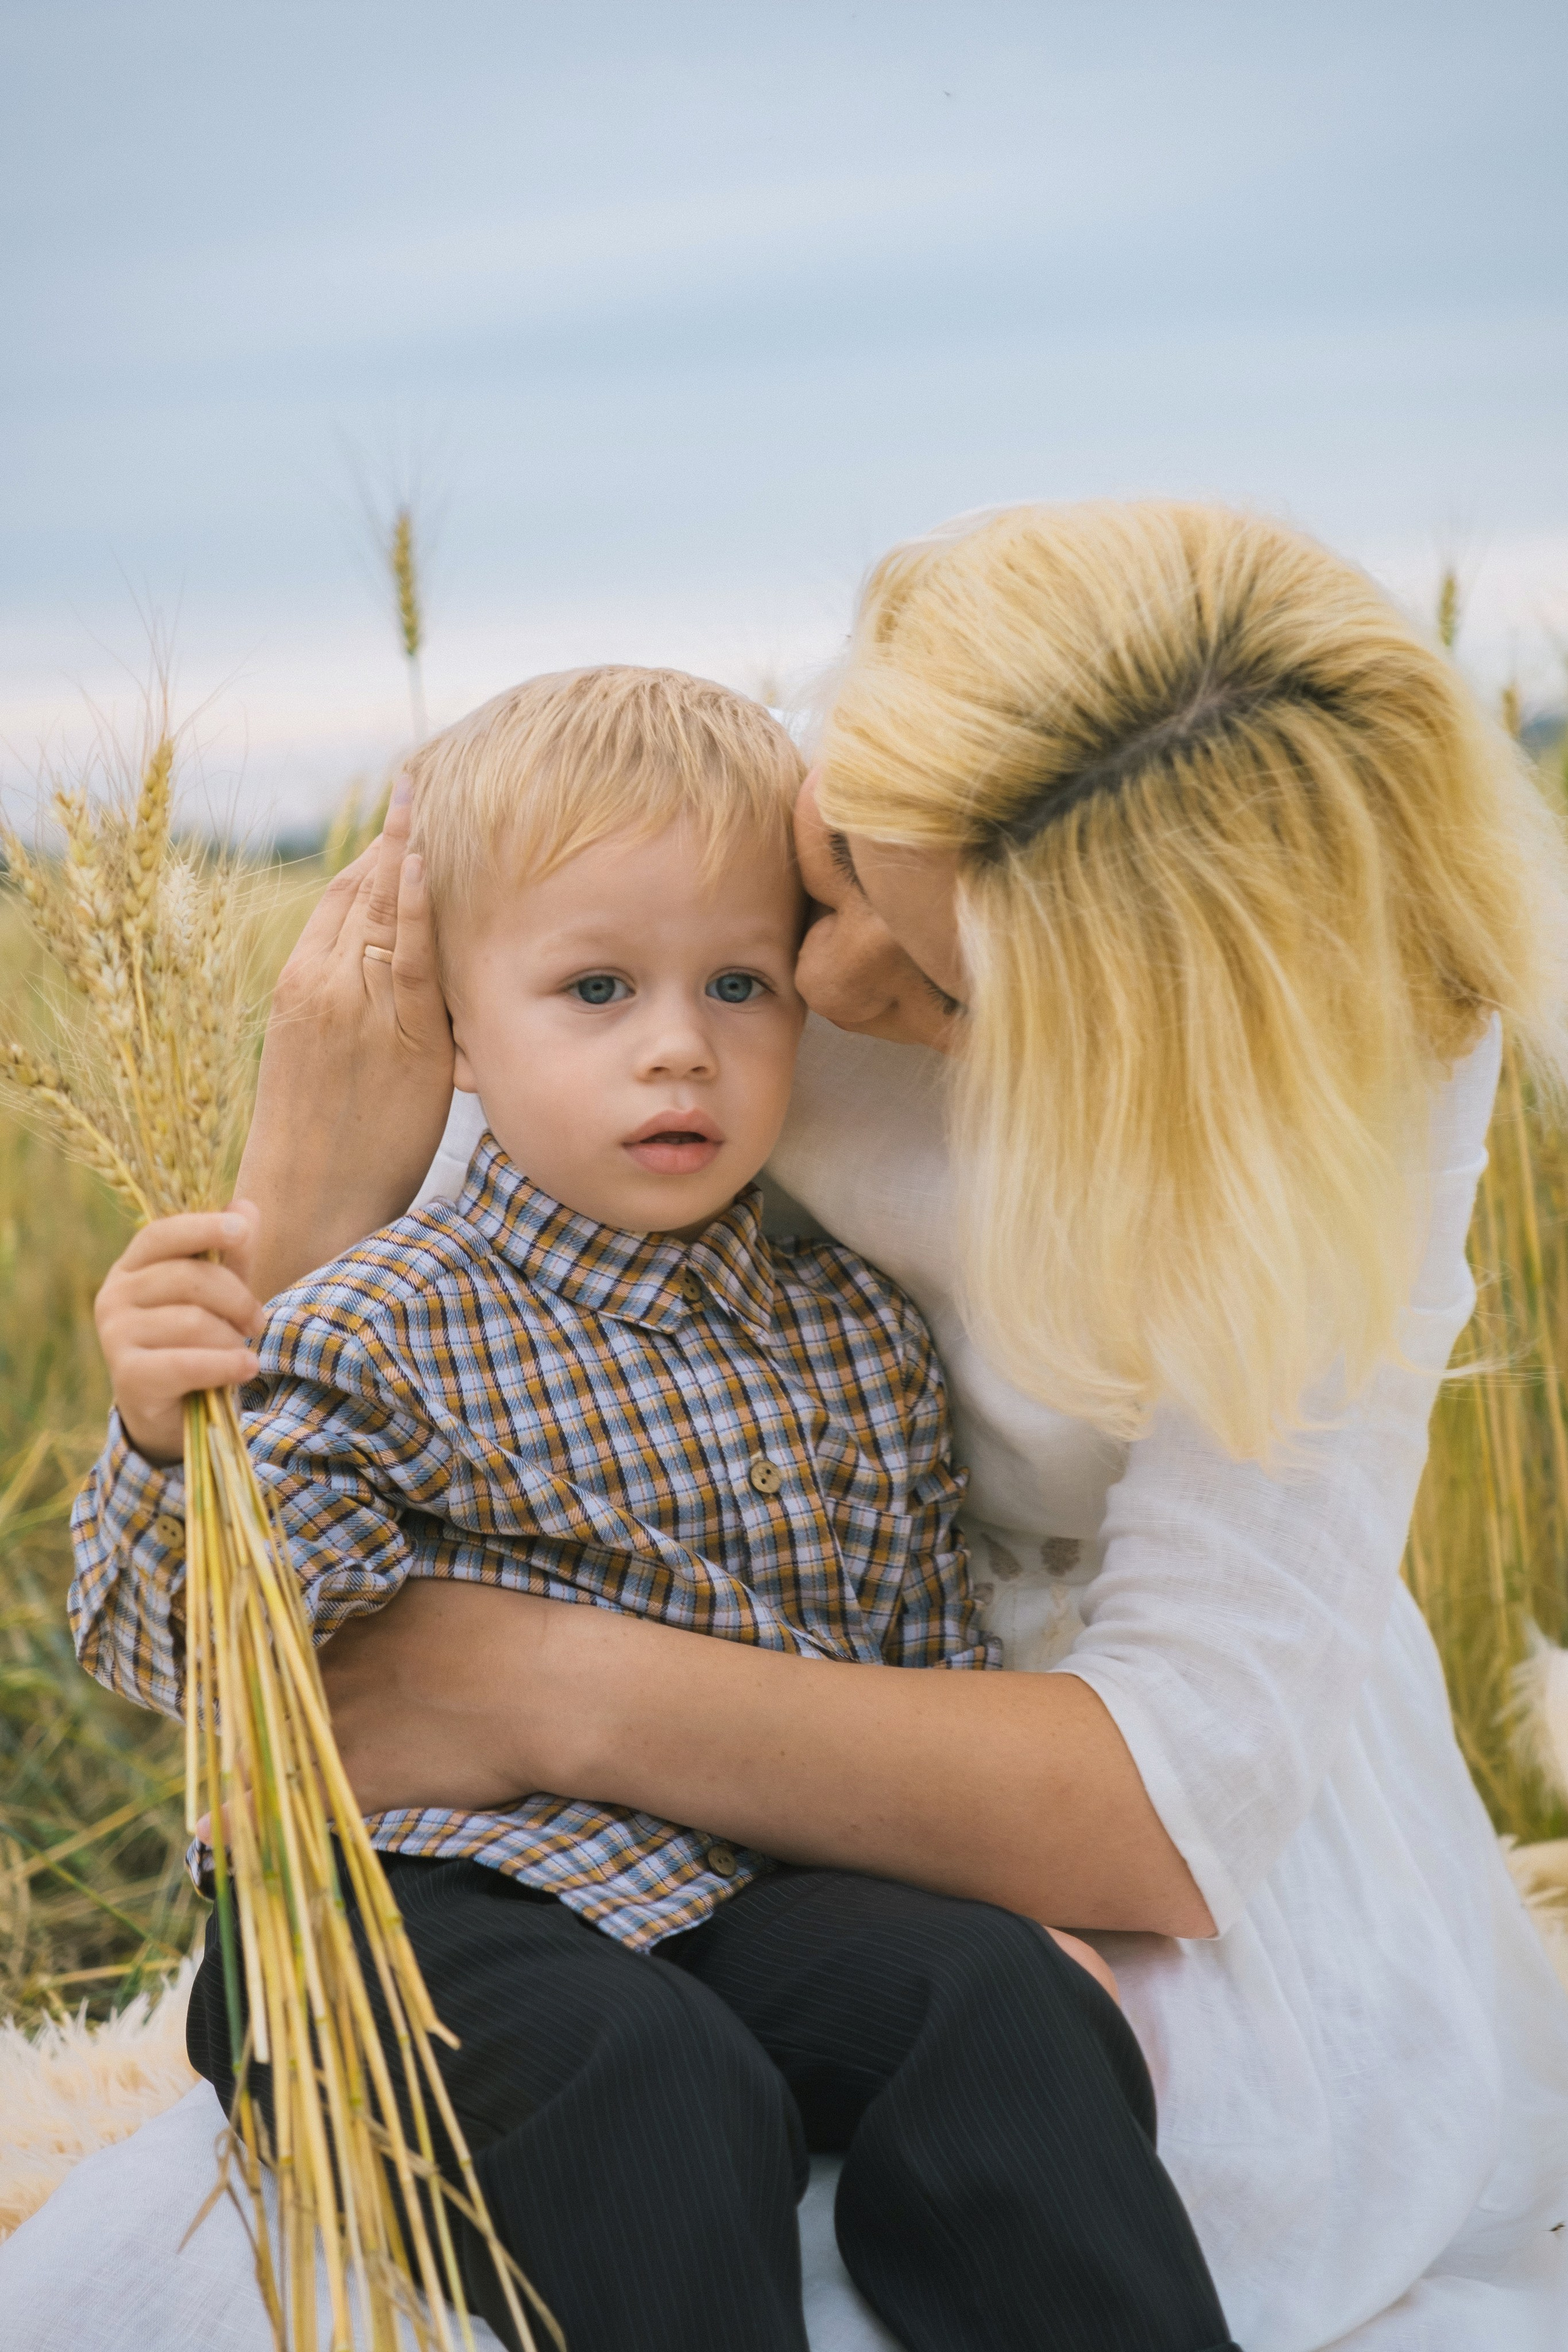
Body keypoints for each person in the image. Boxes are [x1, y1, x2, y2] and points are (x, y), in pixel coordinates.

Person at [230, 504, 1568, 2352]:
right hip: (660, 1779)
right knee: (617, 2170)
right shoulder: (702, 877)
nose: (835, 979)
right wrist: (297, 1215)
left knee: (1065, 2170)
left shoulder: (1367, 1038)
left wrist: (542, 1687)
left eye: (947, 993)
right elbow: (396, 1405)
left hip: (1083, 1790)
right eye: (838, 868)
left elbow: (1173, 1796)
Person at [68, 665, 1237, 2352]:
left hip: (741, 1888)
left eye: (738, 984)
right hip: (409, 1913)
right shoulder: (381, 1315)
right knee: (656, 2081)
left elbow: (908, 1664)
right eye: (597, 988)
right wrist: (173, 1443)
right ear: (458, 1031)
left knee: (1000, 2008)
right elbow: (189, 1661)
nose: (679, 1044)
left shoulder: (851, 1333)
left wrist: (995, 1911)